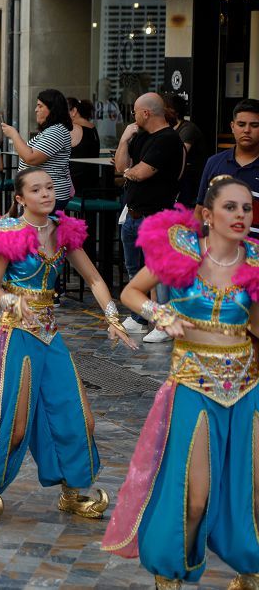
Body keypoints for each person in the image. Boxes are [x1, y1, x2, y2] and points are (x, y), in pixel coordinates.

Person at [0, 167, 136, 526]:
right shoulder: (8, 235)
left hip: (51, 335)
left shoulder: (63, 231)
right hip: (16, 336)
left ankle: (73, 490)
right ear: (20, 198)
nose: (46, 194)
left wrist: (112, 316)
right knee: (14, 427)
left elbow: (95, 278)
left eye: (49, 187)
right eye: (36, 190)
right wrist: (9, 301)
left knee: (79, 417)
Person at [102, 178, 259, 588]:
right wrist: (161, 314)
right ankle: (172, 573)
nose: (240, 215)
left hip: (247, 389)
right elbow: (131, 293)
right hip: (194, 386)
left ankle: (249, 570)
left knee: (253, 491)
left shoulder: (256, 262)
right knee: (196, 497)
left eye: (246, 208)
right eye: (230, 207)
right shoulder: (183, 253)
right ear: (207, 215)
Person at [115, 91, 185, 342]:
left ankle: (163, 324)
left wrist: (128, 171)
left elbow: (141, 172)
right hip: (132, 213)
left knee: (157, 273)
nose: (132, 116)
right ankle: (140, 315)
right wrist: (124, 140)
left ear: (146, 112)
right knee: (135, 269)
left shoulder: (167, 139)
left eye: (134, 111)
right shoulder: (140, 136)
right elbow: (121, 166)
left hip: (155, 216)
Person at [194, 99, 259, 239]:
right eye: (241, 124)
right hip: (218, 254)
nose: (247, 130)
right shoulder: (214, 163)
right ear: (232, 126)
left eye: (254, 125)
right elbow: (199, 212)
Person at [0, 88, 74, 212]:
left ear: (52, 109)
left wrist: (14, 134)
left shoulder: (57, 131)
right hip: (40, 194)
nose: (36, 110)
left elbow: (31, 158)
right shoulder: (50, 130)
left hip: (48, 196)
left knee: (40, 230)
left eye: (40, 106)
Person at [164, 93, 208, 207]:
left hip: (189, 179)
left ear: (175, 111)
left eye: (164, 108)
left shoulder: (188, 128)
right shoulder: (168, 128)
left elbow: (179, 154)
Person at [68, 97, 100, 198]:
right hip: (92, 182)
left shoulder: (73, 128)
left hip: (76, 184)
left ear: (74, 111)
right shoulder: (92, 127)